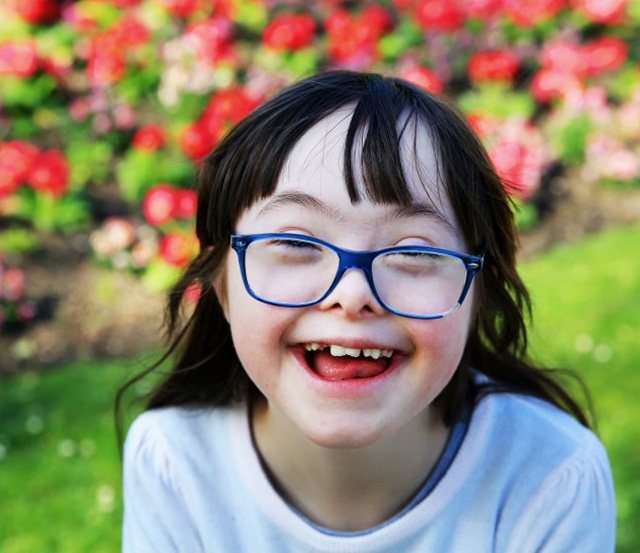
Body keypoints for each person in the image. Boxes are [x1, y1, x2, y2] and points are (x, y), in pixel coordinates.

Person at [118, 70, 616, 552]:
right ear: (221, 285)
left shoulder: (551, 475)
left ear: (477, 293)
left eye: (415, 252)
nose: (353, 293)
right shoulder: (175, 462)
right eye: (294, 241)